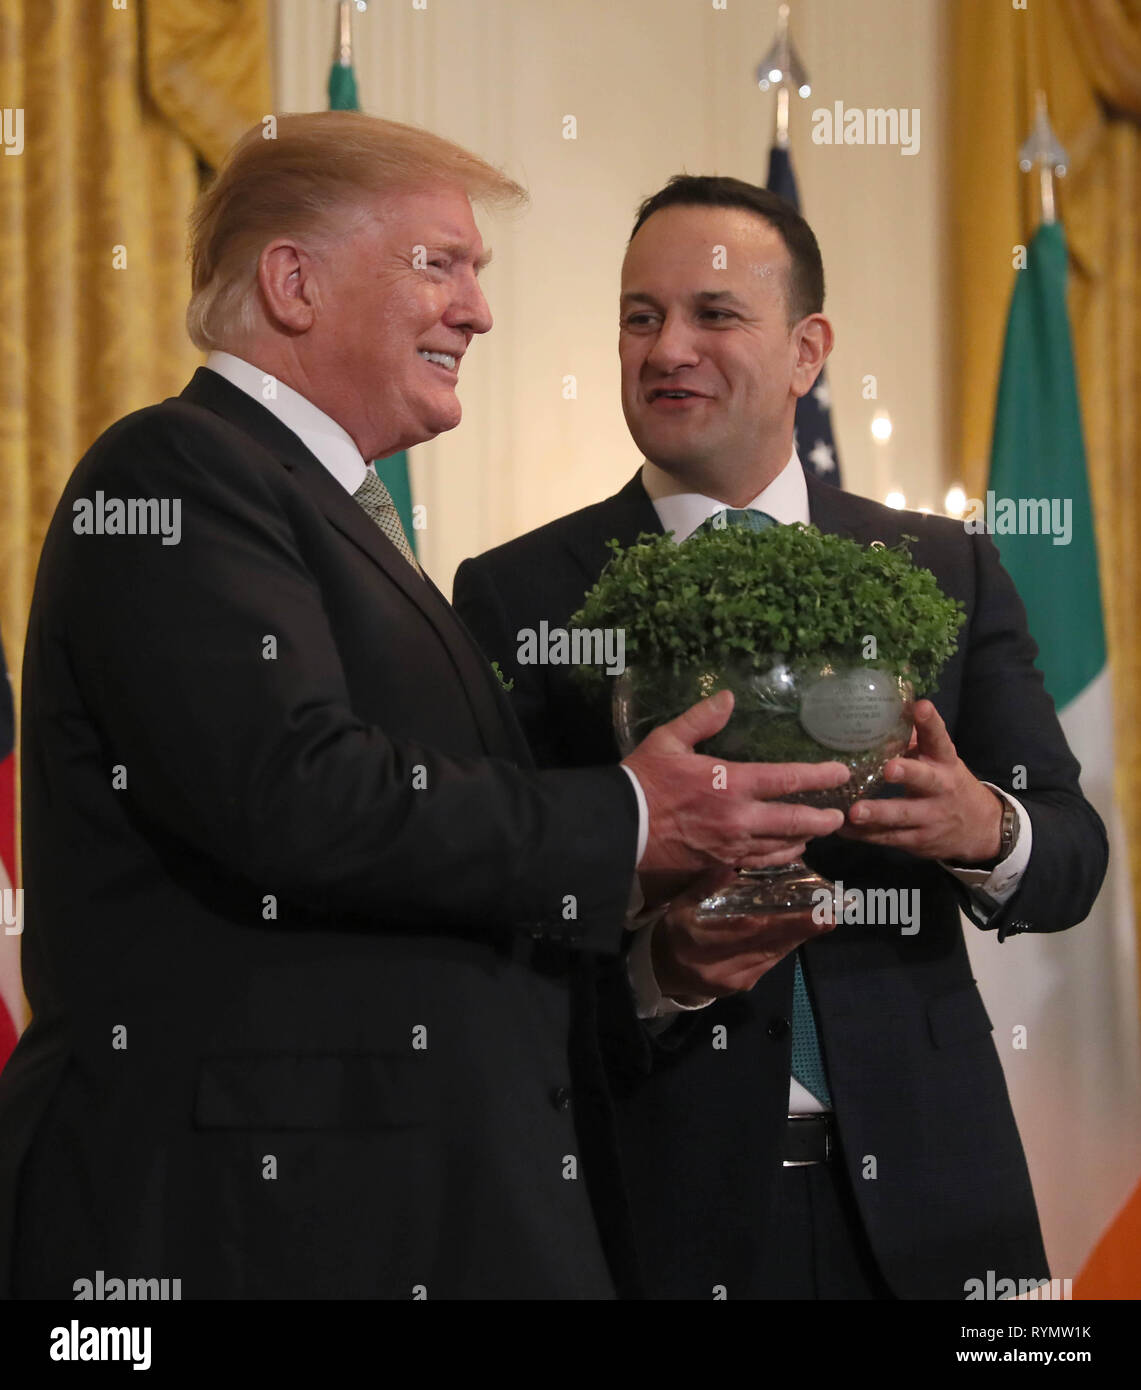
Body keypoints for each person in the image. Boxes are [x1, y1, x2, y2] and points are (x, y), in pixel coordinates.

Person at [0, 127, 854, 1301]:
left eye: (478, 272)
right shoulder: (173, 474)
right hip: (246, 1223)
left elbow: (427, 883)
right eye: (440, 264)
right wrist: (624, 816)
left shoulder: (337, 517)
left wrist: (662, 952)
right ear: (294, 284)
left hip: (406, 1211)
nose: (478, 311)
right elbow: (294, 792)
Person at [453, 175, 1109, 1300]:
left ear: (807, 350)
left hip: (938, 1207)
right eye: (639, 316)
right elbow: (501, 912)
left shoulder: (941, 567)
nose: (667, 349)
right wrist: (658, 968)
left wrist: (979, 826)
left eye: (713, 314)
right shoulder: (518, 593)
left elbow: (1069, 856)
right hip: (659, 1205)